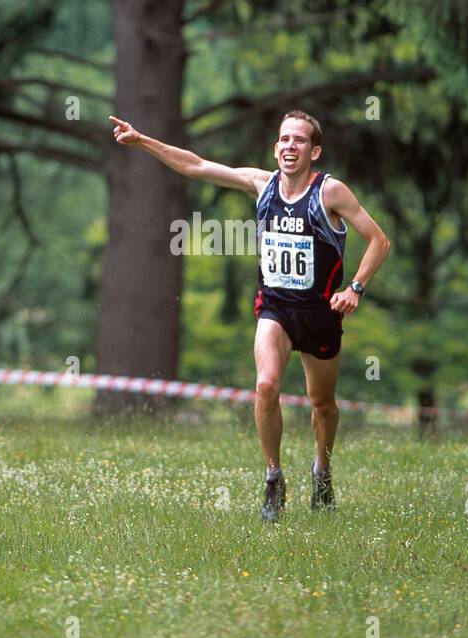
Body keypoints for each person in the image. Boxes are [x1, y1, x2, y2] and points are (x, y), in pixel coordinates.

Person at [110, 110, 391, 521]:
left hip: (321, 312)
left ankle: (322, 470)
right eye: (283, 139)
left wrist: (356, 289)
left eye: (298, 140)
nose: (289, 146)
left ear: (315, 151)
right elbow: (198, 165)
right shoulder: (262, 184)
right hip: (274, 307)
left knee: (323, 404)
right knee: (265, 385)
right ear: (276, 147)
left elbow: (378, 241)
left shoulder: (330, 193)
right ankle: (274, 478)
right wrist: (143, 141)